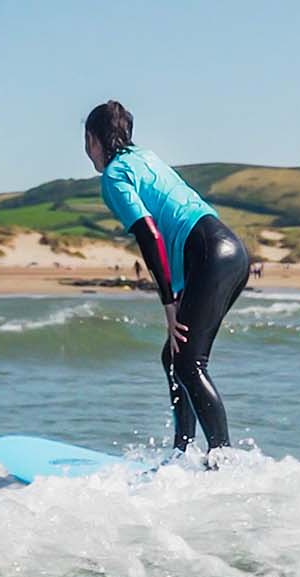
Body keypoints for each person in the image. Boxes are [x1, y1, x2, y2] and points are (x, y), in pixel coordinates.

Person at [86, 100, 249, 468]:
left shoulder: (114, 176)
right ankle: (183, 452)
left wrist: (168, 302)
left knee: (190, 361)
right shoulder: (145, 156)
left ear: (93, 139)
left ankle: (223, 458)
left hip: (210, 254)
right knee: (177, 356)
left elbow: (149, 234)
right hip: (231, 251)